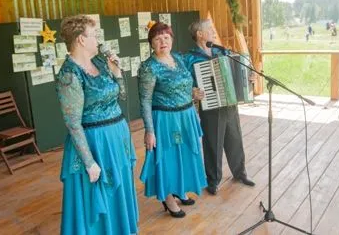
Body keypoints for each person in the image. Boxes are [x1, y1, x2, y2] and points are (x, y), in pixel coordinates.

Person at [56, 15, 138, 234]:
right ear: (81, 39)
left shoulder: (101, 62)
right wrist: (90, 162)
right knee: (97, 196)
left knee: (119, 190)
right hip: (94, 144)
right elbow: (73, 124)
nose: (98, 40)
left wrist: (118, 72)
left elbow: (120, 96)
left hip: (117, 137)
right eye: (94, 35)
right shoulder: (69, 74)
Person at [138, 22, 207, 218]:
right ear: (151, 43)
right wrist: (149, 130)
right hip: (165, 120)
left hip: (186, 115)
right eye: (157, 39)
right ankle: (168, 198)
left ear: (172, 39)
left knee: (184, 155)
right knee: (166, 160)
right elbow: (145, 101)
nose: (163, 42)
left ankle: (180, 189)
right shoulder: (148, 67)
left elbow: (186, 85)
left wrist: (194, 93)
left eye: (166, 38)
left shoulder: (178, 58)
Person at [184, 19, 255, 195]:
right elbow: (185, 82)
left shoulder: (221, 51)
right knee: (212, 143)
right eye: (210, 29)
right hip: (210, 106)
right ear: (200, 34)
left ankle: (240, 173)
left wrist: (249, 76)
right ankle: (213, 180)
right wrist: (192, 90)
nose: (214, 32)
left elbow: (242, 65)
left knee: (235, 139)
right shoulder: (190, 58)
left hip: (230, 103)